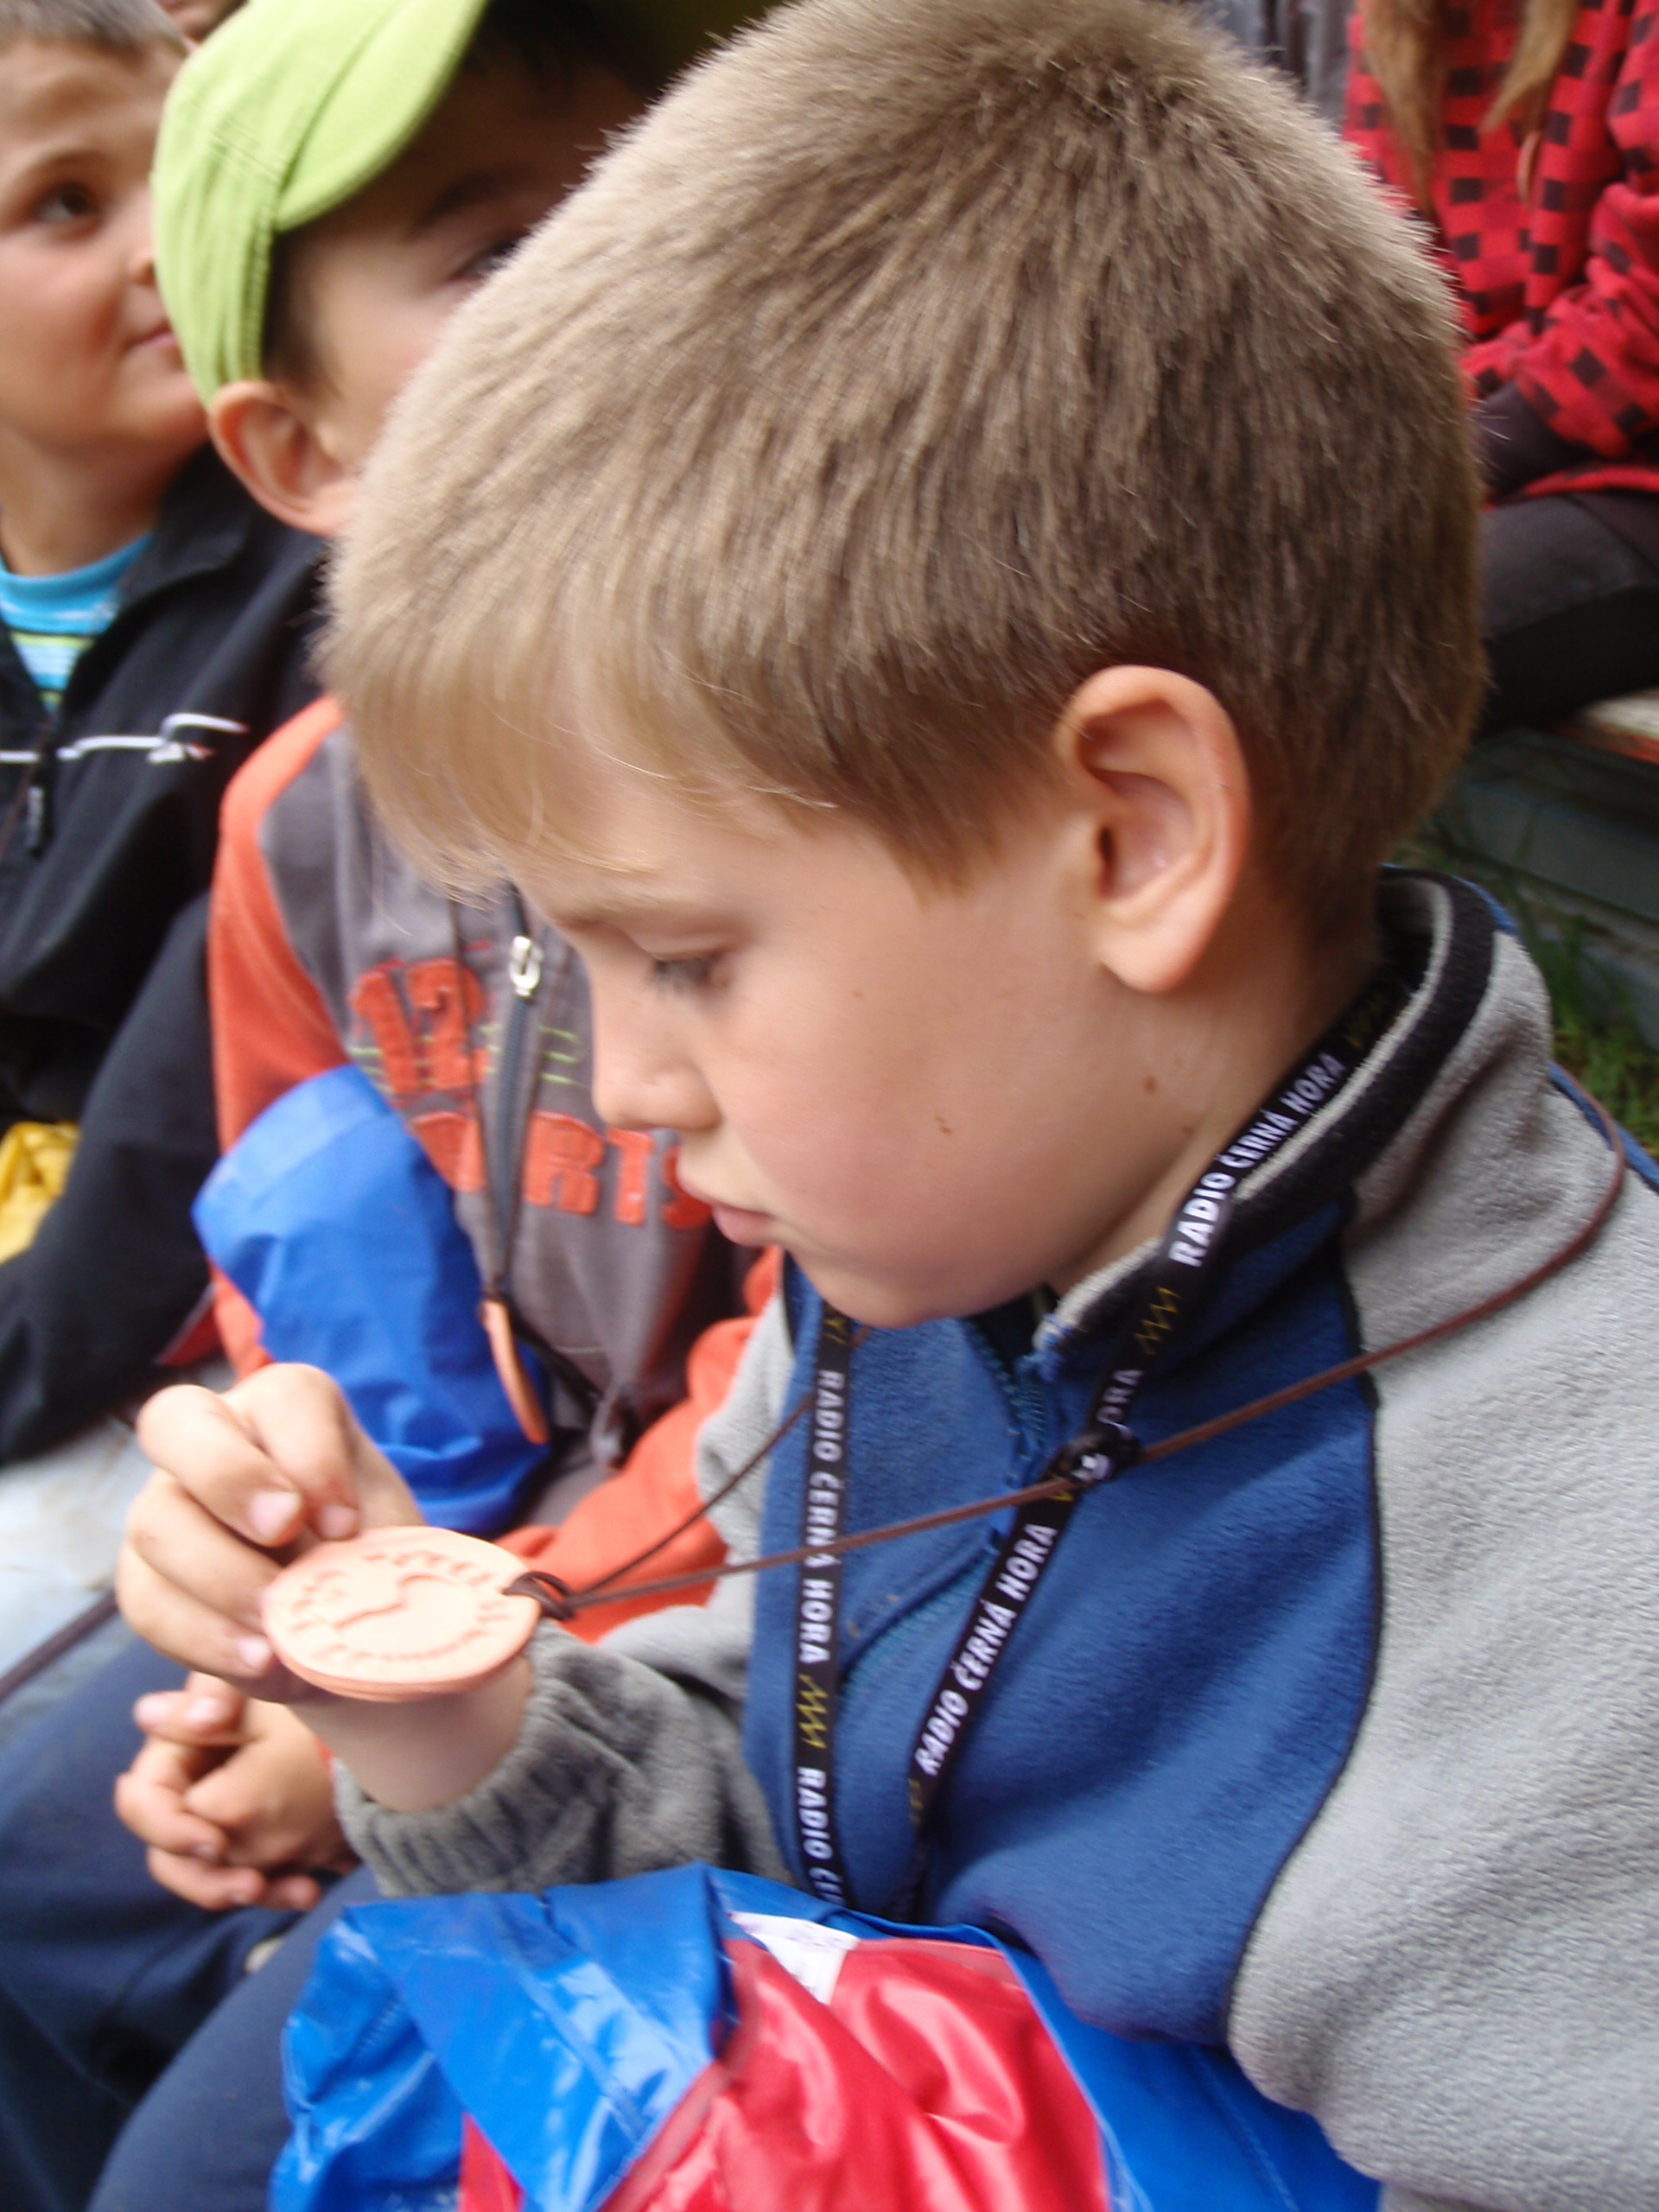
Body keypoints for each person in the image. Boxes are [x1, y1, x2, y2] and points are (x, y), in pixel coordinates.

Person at [124, 0, 1659, 2206]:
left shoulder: (1555, 1642)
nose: (631, 1082)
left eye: (686, 958)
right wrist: (436, 1690)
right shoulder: (944, 1250)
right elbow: (786, 1775)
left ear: (1127, 834)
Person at [0, 3, 758, 2209]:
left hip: (721, 1619)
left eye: (660, 189)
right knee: (34, 1874)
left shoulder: (823, 769)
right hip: (462, 1564)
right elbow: (296, 1281)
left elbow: (840, 1375)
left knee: (208, 2166)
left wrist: (419, 1682)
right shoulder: (305, 830)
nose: (628, 275)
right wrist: (284, 1547)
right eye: (503, 247)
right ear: (298, 447)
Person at [0, 0, 324, 1462]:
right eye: (67, 202)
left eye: (192, 171)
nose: (163, 242)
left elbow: (200, 1069)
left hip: (200, 1341)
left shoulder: (320, 578)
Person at [1347, 0, 1659, 736]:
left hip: (1636, 486)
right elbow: (1379, 300)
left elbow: (1644, 319)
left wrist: (1438, 451)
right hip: (1488, 446)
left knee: (1332, 646)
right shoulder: (1402, 24)